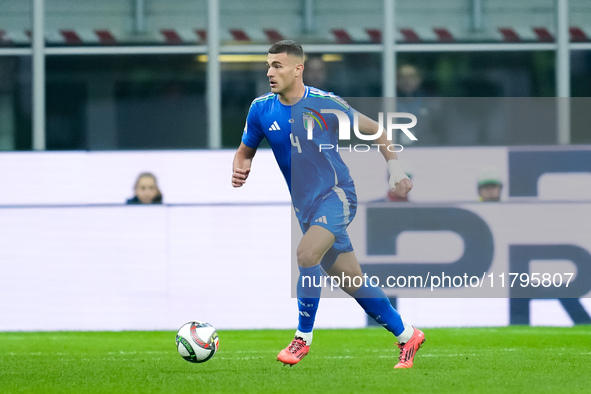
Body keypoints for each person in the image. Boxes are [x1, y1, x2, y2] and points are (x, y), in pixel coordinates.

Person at [232, 40, 425, 369]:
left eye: (277, 65)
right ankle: (408, 336)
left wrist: (394, 167)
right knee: (351, 279)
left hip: (337, 195)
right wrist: (240, 165)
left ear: (298, 69)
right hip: (305, 208)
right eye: (268, 65)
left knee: (306, 254)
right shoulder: (260, 109)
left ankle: (301, 339)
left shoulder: (325, 104)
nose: (269, 72)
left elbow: (377, 130)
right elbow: (245, 149)